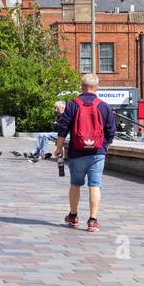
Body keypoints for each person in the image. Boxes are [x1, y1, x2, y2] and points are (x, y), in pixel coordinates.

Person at [53, 73, 116, 233]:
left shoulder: (73, 104)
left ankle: (73, 216)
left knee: (75, 184)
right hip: (97, 152)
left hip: (77, 152)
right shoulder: (104, 106)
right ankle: (93, 221)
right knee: (95, 185)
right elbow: (111, 131)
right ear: (97, 87)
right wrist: (105, 146)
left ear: (81, 86)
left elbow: (63, 128)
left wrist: (59, 148)